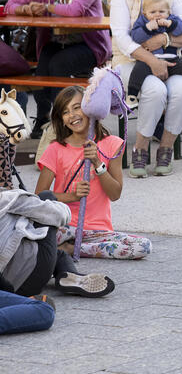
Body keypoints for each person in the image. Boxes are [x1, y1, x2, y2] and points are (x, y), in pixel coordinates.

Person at [110, 0, 182, 177]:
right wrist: (151, 60)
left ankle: (166, 149)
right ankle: (140, 149)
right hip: (130, 63)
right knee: (155, 91)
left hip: (169, 61)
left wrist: (165, 39)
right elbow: (121, 36)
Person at [6, 0, 110, 139]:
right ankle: (45, 119)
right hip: (57, 43)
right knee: (41, 72)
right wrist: (26, 9)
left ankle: (64, 122)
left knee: (58, 65)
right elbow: (12, 4)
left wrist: (47, 7)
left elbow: (76, 10)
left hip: (89, 45)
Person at [35, 86, 152, 259]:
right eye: (65, 112)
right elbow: (39, 196)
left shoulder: (113, 144)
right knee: (42, 234)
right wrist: (72, 196)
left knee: (143, 246)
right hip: (64, 226)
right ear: (61, 119)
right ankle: (70, 246)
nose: (72, 115)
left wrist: (98, 163)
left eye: (76, 107)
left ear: (90, 108)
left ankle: (72, 249)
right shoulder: (56, 148)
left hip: (98, 230)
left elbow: (115, 194)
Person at [0, 189, 115, 298]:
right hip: (29, 277)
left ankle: (68, 274)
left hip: (11, 288)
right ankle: (72, 276)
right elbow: (59, 215)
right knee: (46, 196)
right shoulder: (7, 198)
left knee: (58, 254)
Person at [124, 0, 182, 109]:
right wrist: (147, 28)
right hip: (149, 59)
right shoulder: (143, 21)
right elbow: (135, 37)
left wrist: (170, 24)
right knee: (138, 71)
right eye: (152, 12)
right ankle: (132, 96)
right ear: (145, 13)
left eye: (161, 11)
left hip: (172, 58)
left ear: (168, 12)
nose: (157, 15)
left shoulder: (171, 19)